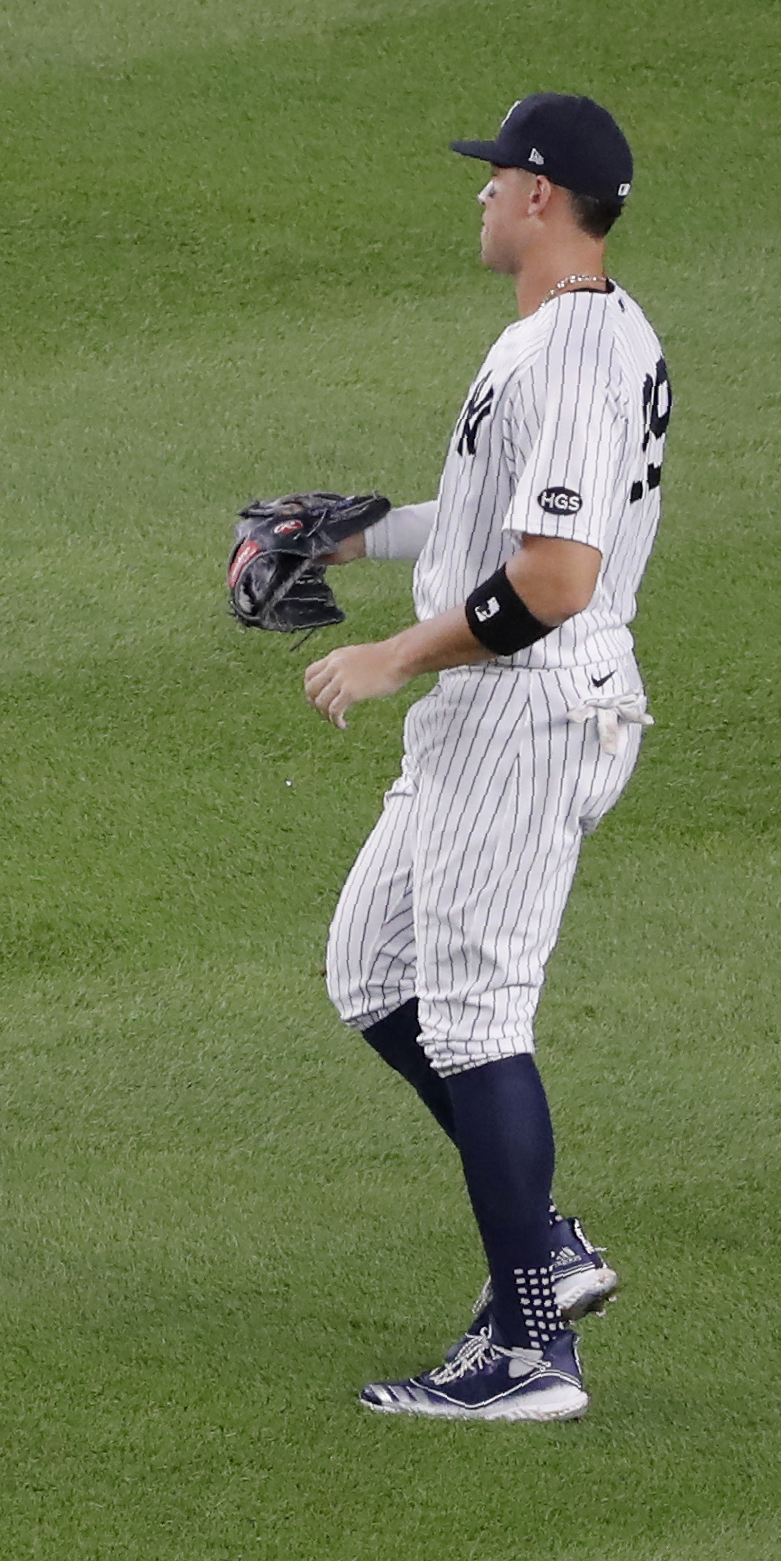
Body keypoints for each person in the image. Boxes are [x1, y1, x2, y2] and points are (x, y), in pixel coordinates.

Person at [303, 93, 670, 1419]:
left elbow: (556, 578)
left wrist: (386, 657)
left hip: (524, 707)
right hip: (497, 705)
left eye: (492, 177)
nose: (477, 197)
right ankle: (546, 1247)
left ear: (538, 195)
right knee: (370, 967)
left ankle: (530, 1347)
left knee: (472, 1018)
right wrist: (363, 543)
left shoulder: (570, 353)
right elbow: (490, 527)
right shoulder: (576, 333)